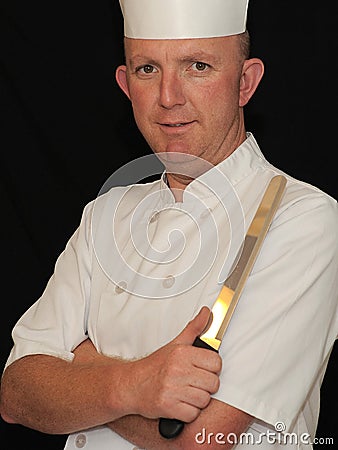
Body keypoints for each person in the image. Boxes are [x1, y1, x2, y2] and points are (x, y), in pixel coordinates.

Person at [1, 0, 337, 448]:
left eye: (197, 66)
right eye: (147, 69)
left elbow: (201, 439)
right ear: (125, 84)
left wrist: (81, 368)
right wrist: (136, 384)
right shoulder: (106, 213)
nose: (169, 97)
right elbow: (17, 392)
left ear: (245, 82)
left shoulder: (302, 219)